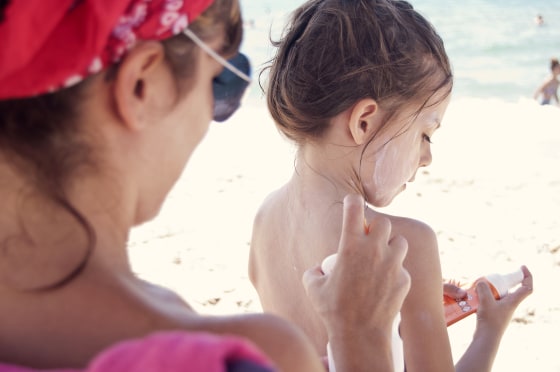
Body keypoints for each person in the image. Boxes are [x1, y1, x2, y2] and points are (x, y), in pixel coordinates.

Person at [0, 0, 411, 371]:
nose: (212, 117)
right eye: (222, 82)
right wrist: (361, 338)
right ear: (144, 86)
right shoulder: (238, 354)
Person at [248, 0, 534, 371]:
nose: (427, 156)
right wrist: (489, 330)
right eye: (425, 132)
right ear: (364, 121)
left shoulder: (264, 221)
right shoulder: (403, 245)